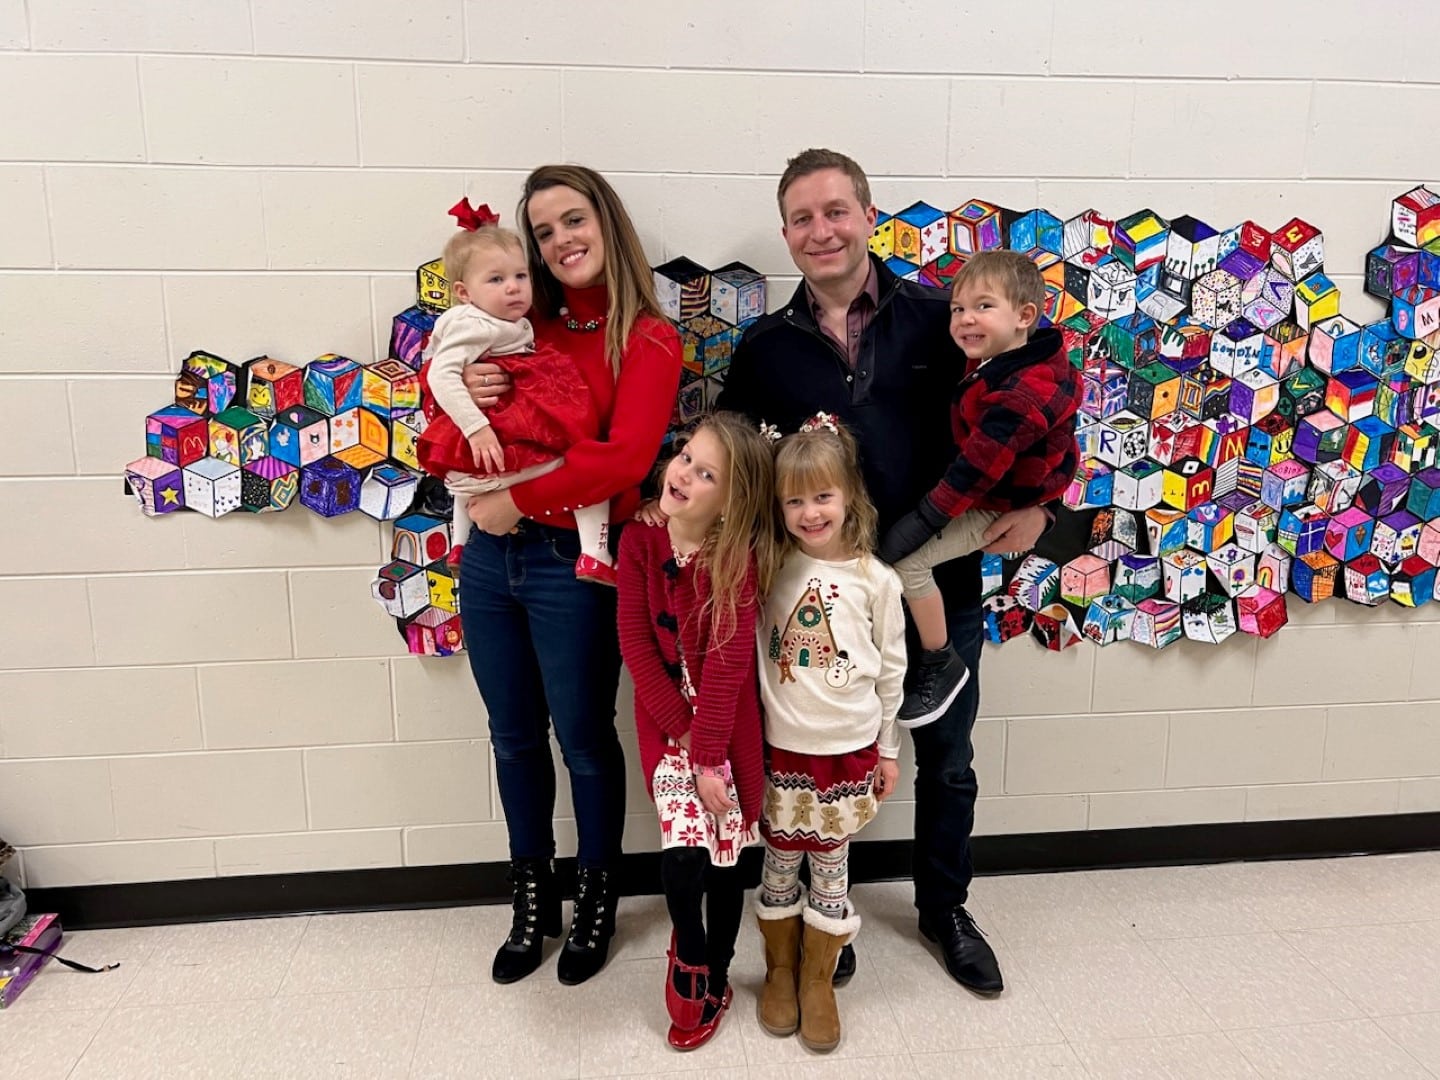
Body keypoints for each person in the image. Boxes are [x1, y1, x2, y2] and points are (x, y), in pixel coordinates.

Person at [716, 147, 1050, 995]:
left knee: (945, 758)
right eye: (802, 217)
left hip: (938, 591)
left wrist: (1049, 509)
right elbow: (734, 466)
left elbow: (1039, 404)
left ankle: (946, 910)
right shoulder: (764, 350)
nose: (821, 230)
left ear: (869, 216)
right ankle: (831, 914)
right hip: (816, 606)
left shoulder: (947, 320)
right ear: (788, 235)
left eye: (836, 210)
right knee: (819, 758)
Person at [436, 164, 682, 987]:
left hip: (569, 562)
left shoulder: (646, 335)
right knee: (512, 738)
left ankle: (597, 897)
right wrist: (465, 388)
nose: (559, 242)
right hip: (486, 562)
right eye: (542, 232)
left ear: (607, 222)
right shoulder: (513, 318)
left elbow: (624, 459)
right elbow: (445, 406)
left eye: (572, 220)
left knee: (582, 740)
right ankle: (530, 899)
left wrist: (520, 504)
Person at [616, 412, 778, 1051]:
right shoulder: (639, 542)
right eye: (686, 457)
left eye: (705, 473)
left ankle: (719, 966)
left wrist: (710, 756)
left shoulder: (738, 558)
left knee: (726, 857)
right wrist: (683, 741)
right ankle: (690, 952)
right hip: (668, 730)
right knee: (684, 852)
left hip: (725, 734)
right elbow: (635, 644)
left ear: (731, 500)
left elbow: (732, 665)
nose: (683, 473)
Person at [879, 250, 1082, 726]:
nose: (966, 319)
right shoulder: (1006, 361)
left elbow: (974, 472)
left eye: (983, 307)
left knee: (908, 560)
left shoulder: (1020, 392)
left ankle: (939, 658)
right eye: (957, 309)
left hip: (994, 503)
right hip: (1001, 490)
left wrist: (924, 520)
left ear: (1024, 316)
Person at [754, 415, 904, 1054]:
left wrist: (890, 749)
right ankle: (781, 971)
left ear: (850, 498)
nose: (810, 512)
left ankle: (819, 979)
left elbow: (892, 670)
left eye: (823, 496)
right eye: (794, 500)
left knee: (833, 866)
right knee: (780, 861)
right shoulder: (767, 566)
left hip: (848, 752)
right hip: (781, 749)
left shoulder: (878, 581)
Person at [417, 222, 615, 584]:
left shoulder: (500, 320)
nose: (513, 286)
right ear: (464, 292)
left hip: (483, 460)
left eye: (520, 275)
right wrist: (477, 428)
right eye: (496, 280)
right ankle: (595, 554)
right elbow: (438, 375)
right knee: (582, 467)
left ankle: (458, 544)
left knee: (461, 482)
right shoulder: (478, 325)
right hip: (495, 447)